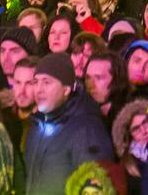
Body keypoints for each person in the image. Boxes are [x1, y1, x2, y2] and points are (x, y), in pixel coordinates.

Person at [23, 52, 114, 195]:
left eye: (47, 82)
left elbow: (96, 186)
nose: (39, 89)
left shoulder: (87, 129)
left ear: (66, 89)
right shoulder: (36, 125)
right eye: (35, 82)